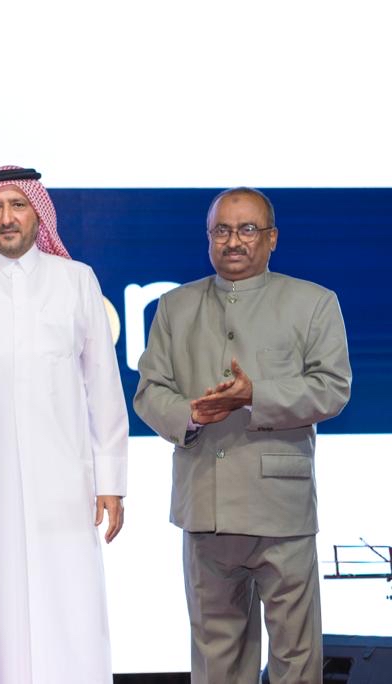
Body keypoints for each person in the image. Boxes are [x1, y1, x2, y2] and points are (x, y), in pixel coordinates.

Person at [134, 187, 351, 683]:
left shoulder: (313, 303)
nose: (234, 241)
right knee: (217, 661)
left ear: (272, 238)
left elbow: (332, 388)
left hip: (282, 509)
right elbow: (149, 392)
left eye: (247, 229)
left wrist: (256, 395)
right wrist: (191, 414)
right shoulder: (175, 306)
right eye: (222, 231)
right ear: (209, 238)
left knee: (297, 660)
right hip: (205, 507)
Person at [0, 165, 128, 683]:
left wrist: (110, 482)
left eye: (18, 205)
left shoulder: (76, 280)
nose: (7, 218)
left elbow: (103, 385)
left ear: (38, 213)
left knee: (66, 599)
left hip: (61, 479)